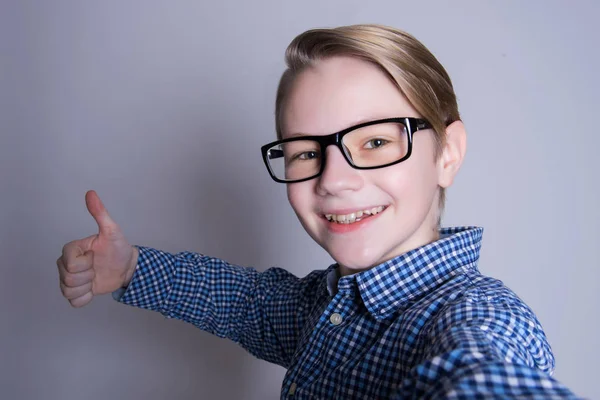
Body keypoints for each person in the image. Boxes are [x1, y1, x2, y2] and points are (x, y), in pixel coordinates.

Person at [57, 24, 580, 399]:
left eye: (375, 141)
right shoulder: (327, 305)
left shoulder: (475, 320)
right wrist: (132, 269)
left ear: (447, 152)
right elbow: (248, 304)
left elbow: (483, 374)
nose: (332, 180)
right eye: (306, 153)